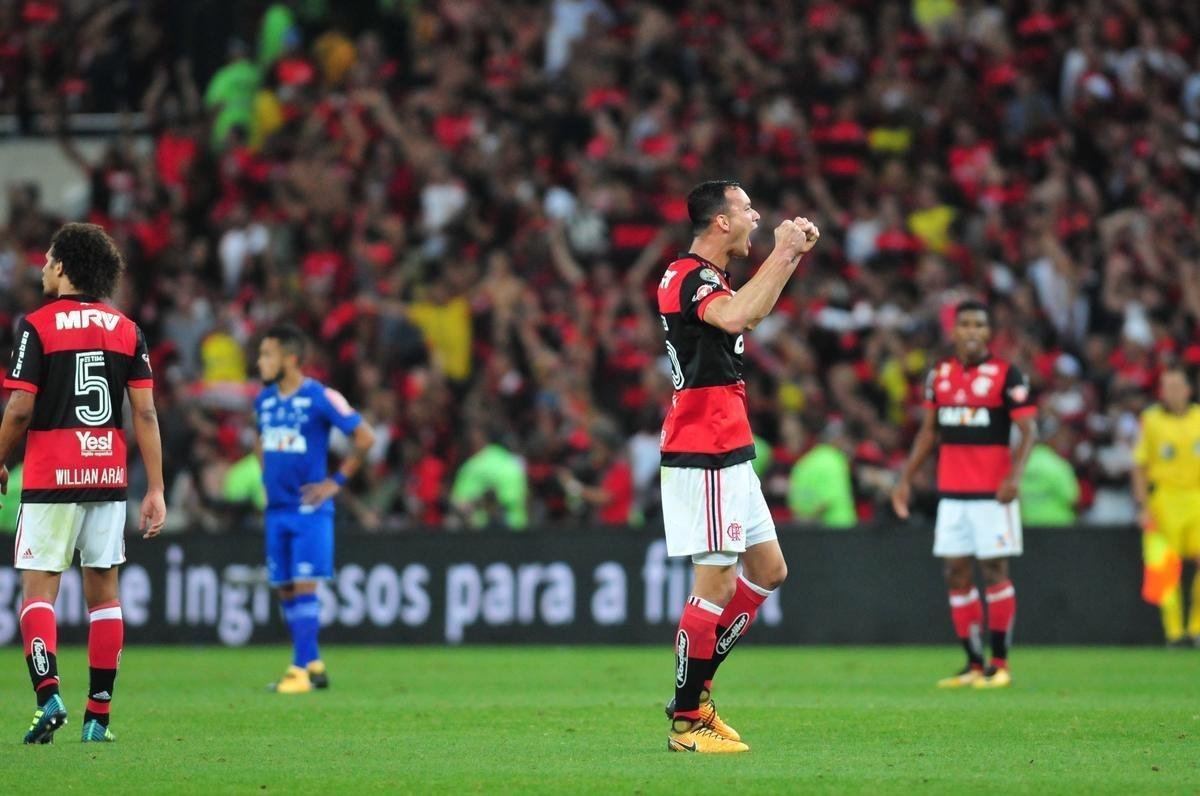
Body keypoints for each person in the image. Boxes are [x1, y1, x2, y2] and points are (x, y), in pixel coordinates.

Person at [658, 180, 819, 754]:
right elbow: (735, 320)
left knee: (769, 571)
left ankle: (697, 693)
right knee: (717, 582)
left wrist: (789, 256)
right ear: (721, 222)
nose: (756, 215)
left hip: (728, 444)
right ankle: (686, 718)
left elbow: (749, 311)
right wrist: (783, 251)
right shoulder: (689, 276)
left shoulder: (713, 278)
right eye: (747, 207)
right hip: (703, 447)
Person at [0, 222, 166, 743]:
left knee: (38, 593)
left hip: (51, 476)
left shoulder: (38, 325)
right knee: (104, 595)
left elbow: (21, 409)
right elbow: (145, 415)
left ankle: (49, 694)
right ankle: (98, 718)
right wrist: (156, 489)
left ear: (66, 267)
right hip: (107, 477)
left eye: (49, 260)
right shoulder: (126, 329)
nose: (44, 268)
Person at [892, 300, 1037, 689]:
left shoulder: (1007, 375)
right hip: (952, 495)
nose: (972, 331)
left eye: (979, 324)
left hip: (992, 495)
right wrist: (905, 478)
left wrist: (1015, 477)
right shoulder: (939, 375)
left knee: (994, 572)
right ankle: (974, 664)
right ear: (954, 331)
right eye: (966, 324)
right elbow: (928, 432)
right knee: (956, 573)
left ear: (989, 333)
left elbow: (1029, 431)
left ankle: (1000, 664)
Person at [255, 324, 375, 693]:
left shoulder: (321, 396)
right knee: (286, 589)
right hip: (277, 510)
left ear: (290, 359)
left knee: (305, 588)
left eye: (267, 355)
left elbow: (365, 436)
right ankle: (314, 662)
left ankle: (298, 672)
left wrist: (334, 483)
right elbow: (261, 443)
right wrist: (267, 476)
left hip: (309, 509)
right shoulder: (265, 401)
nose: (260, 362)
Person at [1131, 367, 1200, 646]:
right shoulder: (1151, 420)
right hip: (1164, 501)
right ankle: (1174, 634)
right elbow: (1140, 466)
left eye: (1176, 386)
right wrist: (1143, 506)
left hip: (1197, 498)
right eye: (1166, 387)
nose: (1171, 393)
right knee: (1164, 569)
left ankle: (1196, 629)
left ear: (1188, 390)